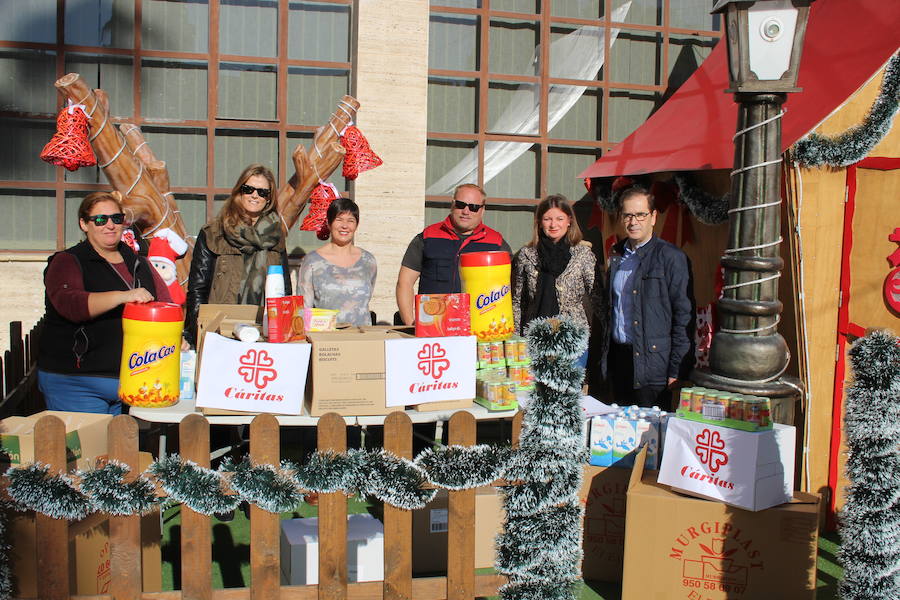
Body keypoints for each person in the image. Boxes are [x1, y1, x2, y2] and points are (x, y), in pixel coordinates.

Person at [37, 191, 172, 414]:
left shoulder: (139, 262)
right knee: (90, 439)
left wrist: (175, 337)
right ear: (84, 224)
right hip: (78, 381)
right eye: (100, 219)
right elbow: (71, 305)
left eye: (116, 218)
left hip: (135, 378)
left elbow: (166, 305)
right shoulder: (67, 261)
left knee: (125, 438)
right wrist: (122, 296)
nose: (110, 225)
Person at [602, 185, 694, 407]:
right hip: (620, 361)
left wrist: (677, 369)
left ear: (653, 217)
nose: (633, 221)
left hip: (654, 366)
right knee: (621, 425)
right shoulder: (617, 255)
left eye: (640, 215)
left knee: (651, 427)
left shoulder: (671, 258)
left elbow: (684, 317)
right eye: (628, 215)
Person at [185, 164, 291, 345]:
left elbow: (285, 292)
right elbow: (197, 289)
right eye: (248, 189)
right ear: (239, 192)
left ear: (269, 199)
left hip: (264, 332)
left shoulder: (276, 236)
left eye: (262, 192)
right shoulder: (214, 233)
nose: (255, 195)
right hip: (220, 332)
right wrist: (199, 334)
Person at [396, 183, 511, 325]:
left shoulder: (496, 243)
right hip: (434, 326)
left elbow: (511, 290)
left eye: (473, 207)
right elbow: (405, 282)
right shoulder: (427, 237)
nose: (466, 211)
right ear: (452, 205)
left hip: (479, 327)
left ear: (482, 210)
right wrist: (410, 324)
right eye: (460, 205)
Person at [512, 195, 604, 369]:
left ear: (569, 221)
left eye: (559, 219)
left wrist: (605, 338)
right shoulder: (526, 255)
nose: (553, 225)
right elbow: (518, 301)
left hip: (572, 339)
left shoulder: (583, 254)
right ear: (540, 222)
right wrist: (516, 338)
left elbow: (598, 298)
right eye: (547, 219)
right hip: (535, 338)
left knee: (569, 386)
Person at [298, 198, 376, 326]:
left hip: (362, 335)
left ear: (356, 225)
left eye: (350, 221)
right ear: (329, 223)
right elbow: (303, 308)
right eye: (339, 220)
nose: (345, 226)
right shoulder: (312, 261)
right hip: (325, 335)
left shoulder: (368, 260)